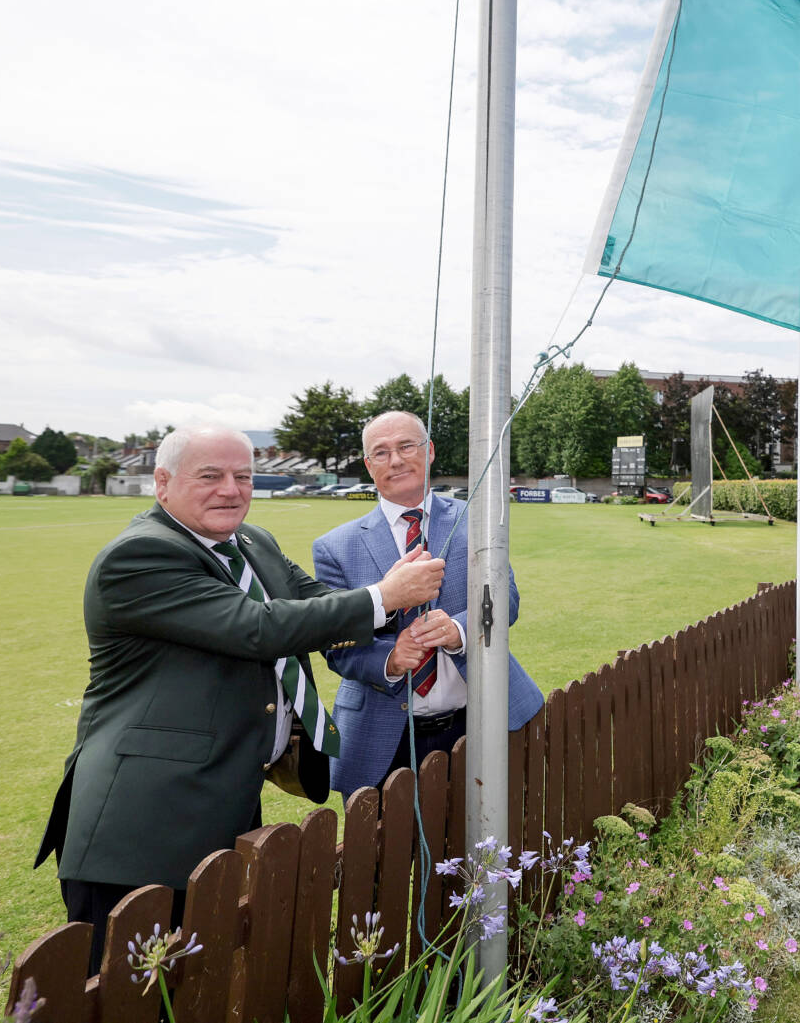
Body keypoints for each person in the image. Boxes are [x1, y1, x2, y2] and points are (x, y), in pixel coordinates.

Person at [35, 425, 448, 970]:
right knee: (123, 988)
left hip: (221, 799)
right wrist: (382, 597)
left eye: (243, 476)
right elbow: (259, 628)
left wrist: (386, 602)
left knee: (196, 978)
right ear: (162, 483)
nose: (230, 489)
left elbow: (316, 603)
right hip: (141, 824)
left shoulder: (253, 542)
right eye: (209, 476)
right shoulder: (140, 556)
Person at [314, 410, 544, 798]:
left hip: (478, 720)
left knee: (482, 846)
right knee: (382, 856)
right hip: (382, 738)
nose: (397, 460)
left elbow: (507, 599)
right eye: (381, 452)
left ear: (430, 450)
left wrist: (459, 630)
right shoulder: (335, 547)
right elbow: (335, 644)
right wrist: (387, 658)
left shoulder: (478, 520)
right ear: (369, 465)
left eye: (407, 446)